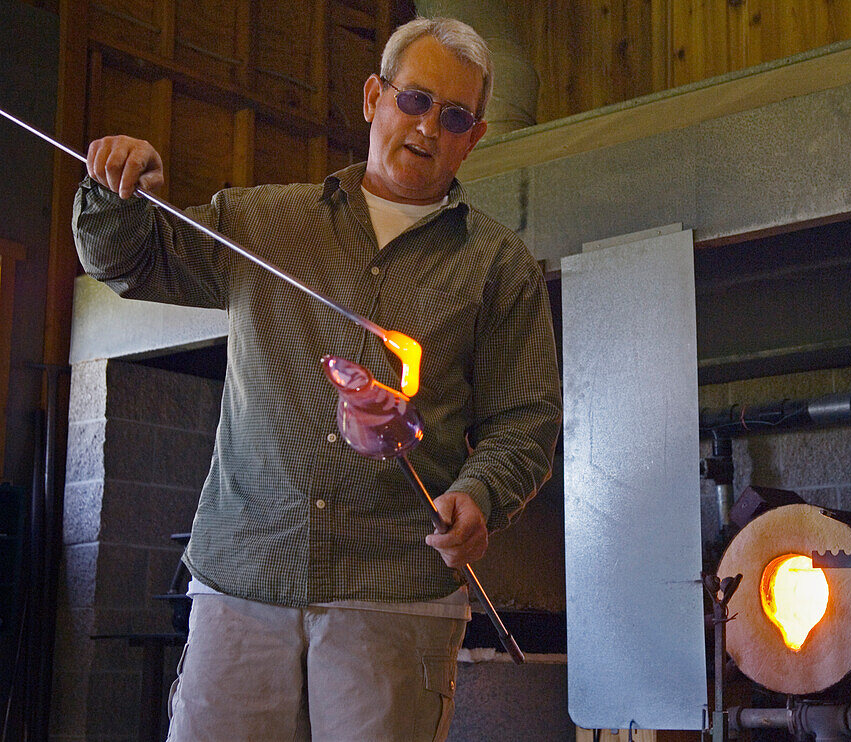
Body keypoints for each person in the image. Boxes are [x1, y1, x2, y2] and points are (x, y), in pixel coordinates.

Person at [73, 17, 561, 741]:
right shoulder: (263, 221)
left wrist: (479, 492)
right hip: (246, 579)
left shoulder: (499, 266)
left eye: (454, 116)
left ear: (474, 136)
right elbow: (130, 263)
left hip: (395, 592)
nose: (429, 127)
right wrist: (116, 186)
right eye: (415, 101)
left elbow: (525, 421)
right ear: (374, 97)